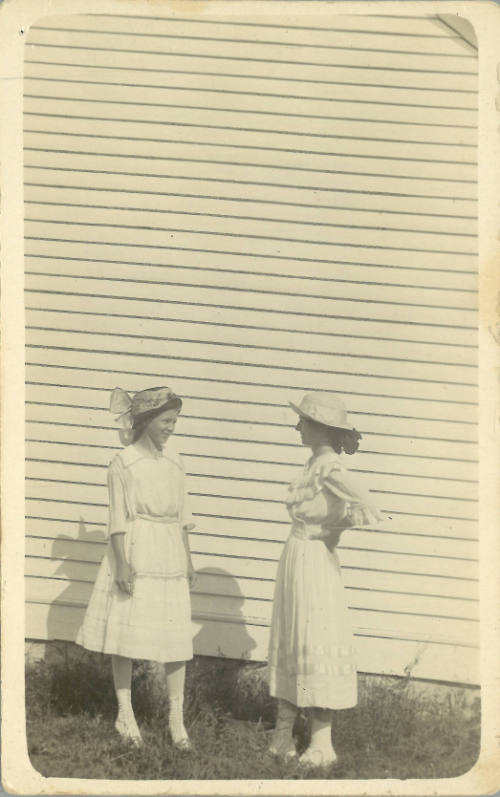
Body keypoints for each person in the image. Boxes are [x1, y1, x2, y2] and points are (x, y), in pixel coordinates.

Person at [76, 386, 196, 749]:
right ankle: (124, 714)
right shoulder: (123, 462)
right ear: (146, 421)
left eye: (175, 422)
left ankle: (176, 720)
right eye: (166, 421)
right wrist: (122, 564)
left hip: (170, 553)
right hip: (136, 548)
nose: (171, 428)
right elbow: (116, 519)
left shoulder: (175, 463)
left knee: (176, 639)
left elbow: (182, 518)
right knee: (125, 636)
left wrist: (188, 560)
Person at [267, 392, 383, 769]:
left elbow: (366, 504)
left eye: (305, 421)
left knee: (316, 639)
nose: (298, 426)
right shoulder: (311, 464)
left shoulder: (330, 467)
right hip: (296, 560)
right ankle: (282, 736)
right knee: (293, 636)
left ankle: (322, 743)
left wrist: (331, 529)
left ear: (321, 429)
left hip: (315, 563)